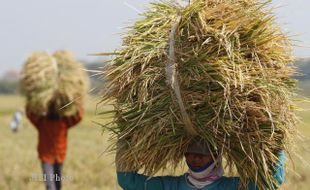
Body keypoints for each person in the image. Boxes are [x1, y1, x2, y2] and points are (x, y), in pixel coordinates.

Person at [116, 138, 285, 190]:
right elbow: (128, 182)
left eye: (201, 155)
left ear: (216, 158)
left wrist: (277, 147)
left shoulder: (230, 187)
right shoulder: (171, 186)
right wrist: (125, 141)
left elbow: (271, 182)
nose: (195, 160)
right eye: (190, 155)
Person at [26, 101, 83, 190]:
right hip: (46, 158)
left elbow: (78, 116)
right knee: (50, 186)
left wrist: (78, 99)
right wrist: (31, 98)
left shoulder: (64, 122)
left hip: (60, 157)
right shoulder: (42, 122)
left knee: (58, 185)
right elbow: (30, 113)